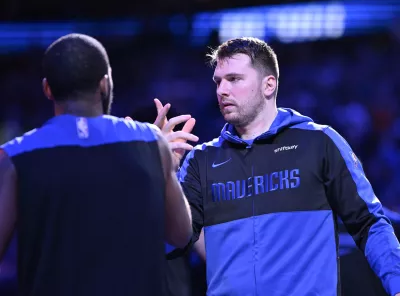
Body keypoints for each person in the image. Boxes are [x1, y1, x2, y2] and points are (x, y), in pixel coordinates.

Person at [158, 37, 400, 295]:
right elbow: (178, 240)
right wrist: (165, 174)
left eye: (234, 79)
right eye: (218, 81)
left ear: (269, 85)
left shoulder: (318, 143)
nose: (222, 90)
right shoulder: (201, 161)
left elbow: (369, 222)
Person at [0, 33, 198, 296]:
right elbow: (182, 235)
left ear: (47, 88)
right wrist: (162, 167)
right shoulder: (152, 142)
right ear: (104, 84)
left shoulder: (14, 157)